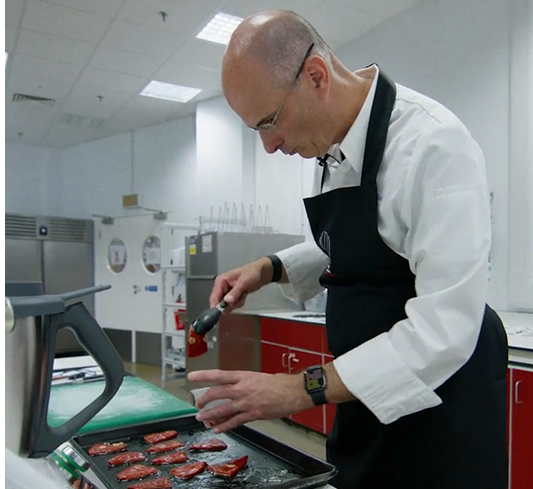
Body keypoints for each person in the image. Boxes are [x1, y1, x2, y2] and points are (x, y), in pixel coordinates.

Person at [188, 10, 508, 488]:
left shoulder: (433, 146)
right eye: (256, 129)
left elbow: (443, 332)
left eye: (269, 122)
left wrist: (299, 388)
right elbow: (359, 242)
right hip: (362, 392)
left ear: (316, 77)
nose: (270, 146)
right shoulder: (333, 146)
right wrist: (270, 267)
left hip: (440, 404)